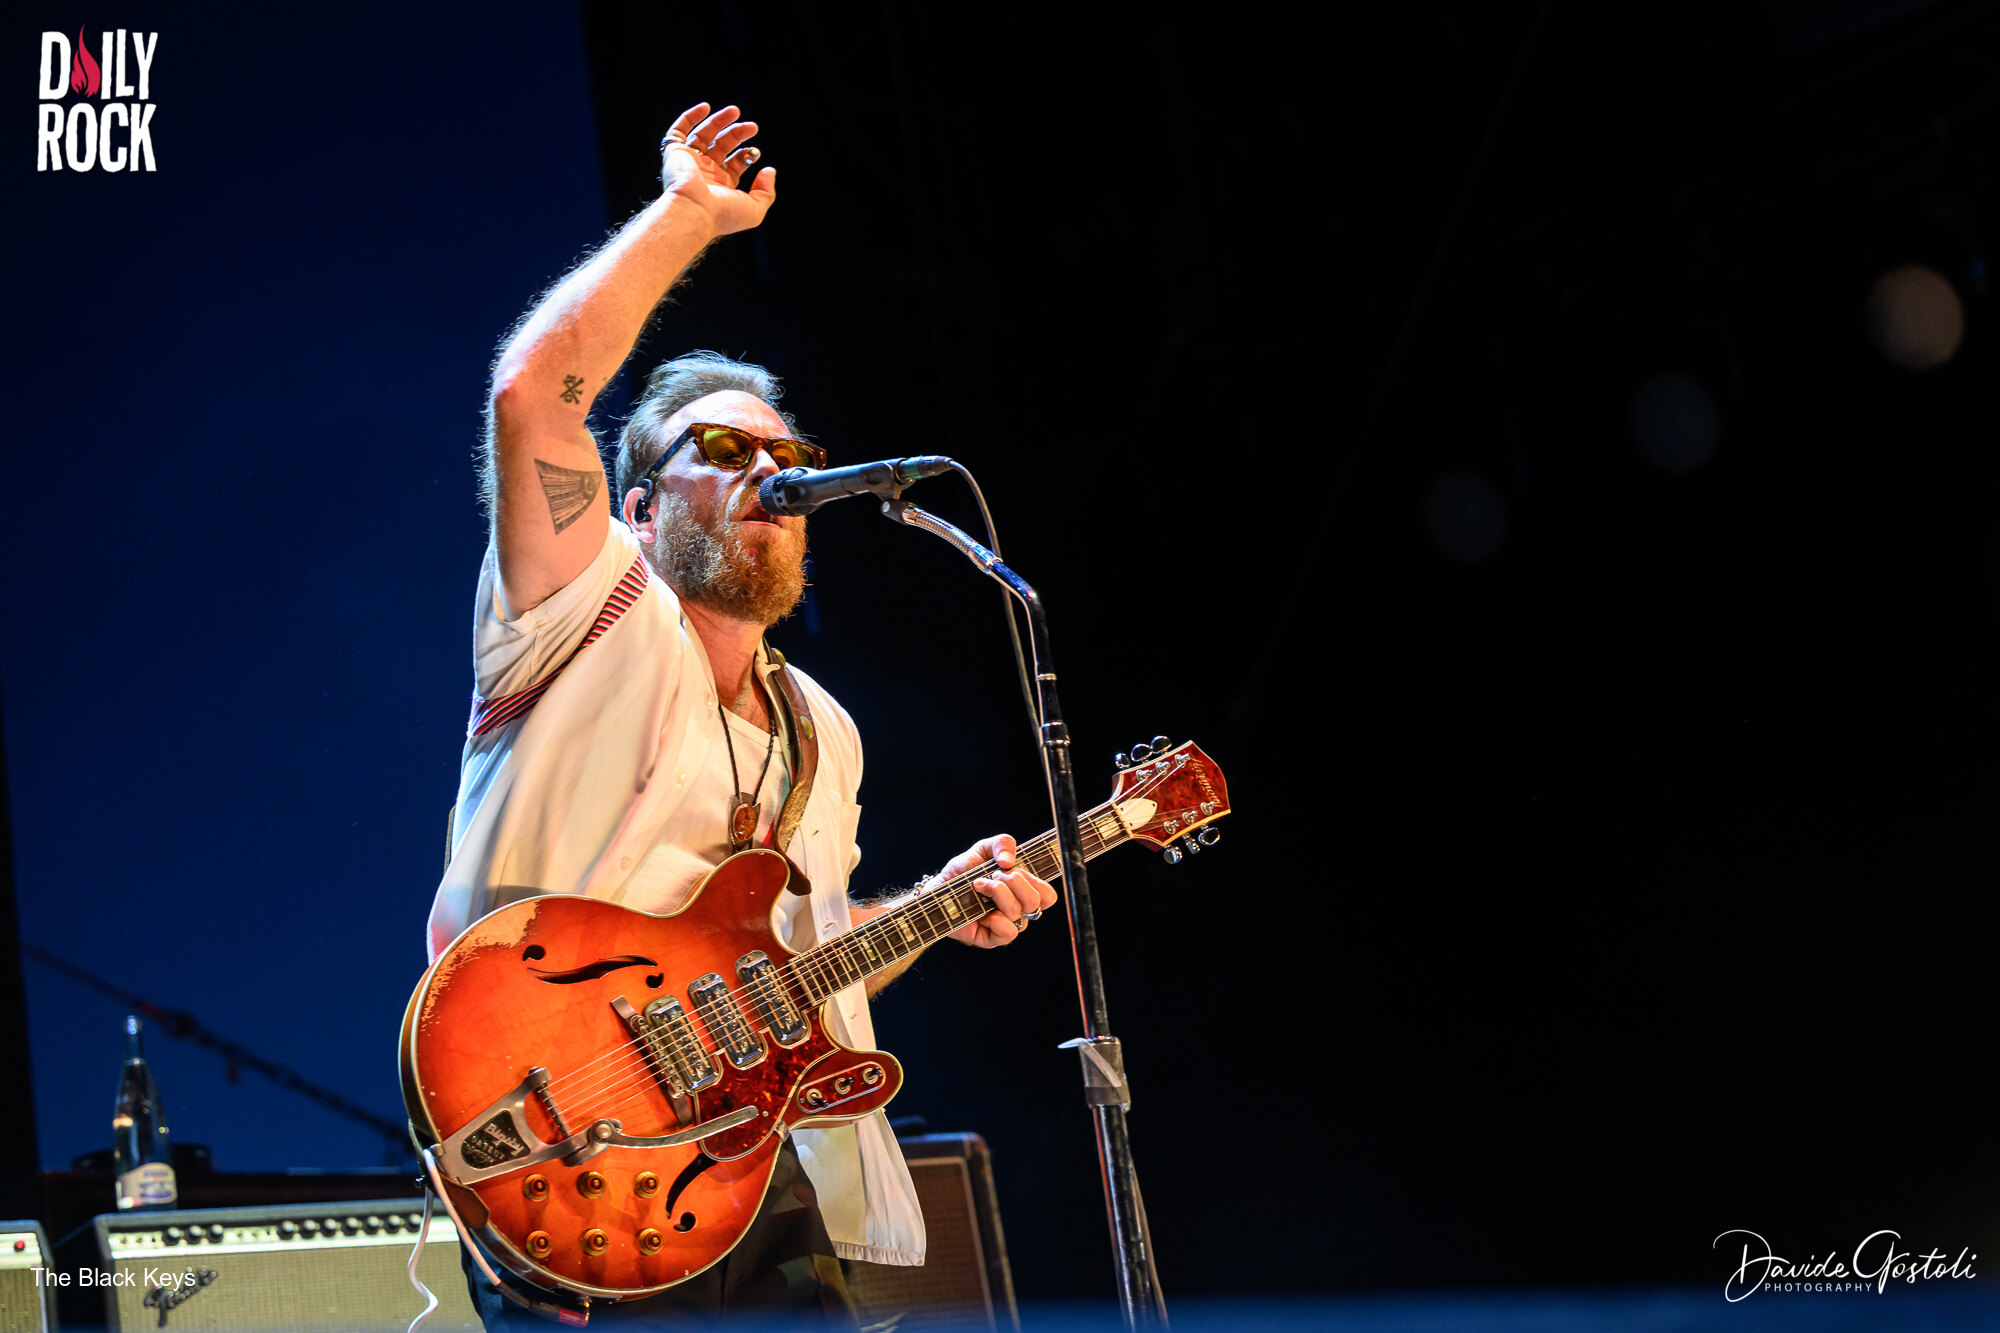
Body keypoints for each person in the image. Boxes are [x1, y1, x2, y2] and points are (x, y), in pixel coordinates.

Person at [423, 101, 1058, 1329]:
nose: (769, 471)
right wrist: (687, 216)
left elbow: (792, 957)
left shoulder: (823, 727)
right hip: (566, 1154)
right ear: (640, 508)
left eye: (788, 455)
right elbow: (532, 398)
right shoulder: (578, 608)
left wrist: (935, 910)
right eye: (719, 447)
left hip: (753, 1179)